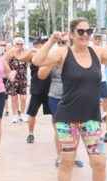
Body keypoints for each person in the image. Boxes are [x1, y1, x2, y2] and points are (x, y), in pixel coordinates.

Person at [32, 18, 107, 181]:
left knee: (99, 162)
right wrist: (51, 40)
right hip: (67, 118)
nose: (85, 35)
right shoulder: (63, 53)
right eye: (81, 31)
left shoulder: (97, 52)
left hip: (91, 118)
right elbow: (37, 61)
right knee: (66, 162)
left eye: (88, 31)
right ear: (72, 33)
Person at [38, 34, 85, 168]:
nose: (64, 45)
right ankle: (60, 156)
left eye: (67, 42)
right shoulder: (54, 56)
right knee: (60, 129)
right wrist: (52, 62)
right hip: (56, 97)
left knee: (75, 128)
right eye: (61, 42)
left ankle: (73, 156)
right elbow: (41, 75)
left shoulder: (79, 56)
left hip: (76, 97)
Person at [25, 38, 52, 144]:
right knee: (32, 113)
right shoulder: (33, 56)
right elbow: (24, 57)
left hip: (50, 90)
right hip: (37, 89)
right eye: (40, 45)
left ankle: (59, 134)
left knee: (56, 114)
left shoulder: (51, 56)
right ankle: (30, 134)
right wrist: (33, 50)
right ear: (36, 45)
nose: (43, 47)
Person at [5, 38, 29, 124]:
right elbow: (5, 62)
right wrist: (9, 73)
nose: (19, 46)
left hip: (23, 78)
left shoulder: (25, 53)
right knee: (14, 98)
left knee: (23, 98)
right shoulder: (10, 53)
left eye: (21, 44)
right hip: (13, 78)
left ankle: (22, 114)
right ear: (14, 44)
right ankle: (15, 115)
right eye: (17, 44)